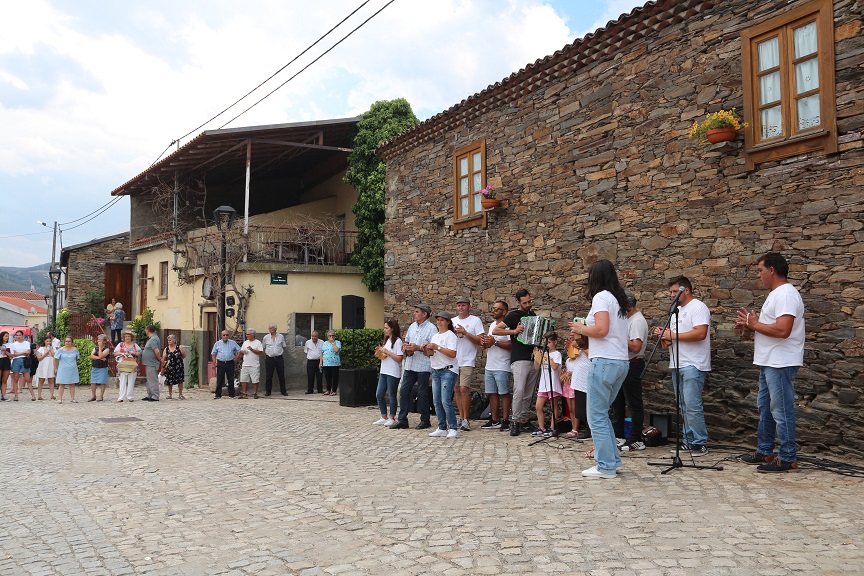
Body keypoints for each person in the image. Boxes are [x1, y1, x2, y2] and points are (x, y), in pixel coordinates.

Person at [735, 252, 805, 473]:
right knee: (765, 408)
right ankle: (765, 451)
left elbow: (783, 330)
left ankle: (787, 458)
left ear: (771, 270)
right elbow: (766, 329)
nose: (758, 275)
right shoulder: (776, 294)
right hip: (769, 361)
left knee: (781, 410)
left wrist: (754, 324)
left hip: (781, 362)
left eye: (760, 270)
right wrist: (748, 327)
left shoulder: (786, 294)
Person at [569, 259, 630, 479]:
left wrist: (580, 328)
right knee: (602, 413)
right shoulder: (617, 300)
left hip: (604, 362)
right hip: (619, 362)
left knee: (595, 415)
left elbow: (602, 330)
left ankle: (605, 466)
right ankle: (613, 460)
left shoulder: (601, 297)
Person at [653, 276, 712, 457]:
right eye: (670, 292)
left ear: (686, 290)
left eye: (674, 291)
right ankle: (688, 440)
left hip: (693, 363)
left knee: (692, 404)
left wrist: (673, 334)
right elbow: (675, 337)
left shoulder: (698, 307)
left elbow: (701, 333)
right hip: (678, 362)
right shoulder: (676, 310)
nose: (672, 295)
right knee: (682, 404)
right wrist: (665, 337)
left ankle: (700, 442)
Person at [493, 289, 538, 436]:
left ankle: (525, 419)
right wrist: (514, 331)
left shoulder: (532, 315)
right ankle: (515, 421)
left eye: (529, 301)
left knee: (529, 391)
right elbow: (496, 331)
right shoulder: (513, 315)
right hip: (519, 358)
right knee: (519, 390)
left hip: (533, 357)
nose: (528, 304)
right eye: (524, 302)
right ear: (518, 302)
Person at [612, 295, 649, 451]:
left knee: (634, 403)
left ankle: (636, 438)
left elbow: (636, 347)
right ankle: (618, 435)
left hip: (633, 365)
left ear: (628, 306)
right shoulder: (627, 320)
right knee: (617, 401)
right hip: (622, 363)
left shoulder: (637, 322)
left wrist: (618, 337)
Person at [392, 303, 437, 430]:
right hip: (410, 364)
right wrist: (406, 346)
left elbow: (431, 349)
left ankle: (425, 419)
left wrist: (417, 348)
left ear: (424, 314)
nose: (414, 313)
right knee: (404, 391)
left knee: (422, 393)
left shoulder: (432, 329)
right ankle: (402, 420)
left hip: (423, 365)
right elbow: (407, 340)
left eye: (417, 312)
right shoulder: (412, 326)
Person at [425, 311, 459, 439]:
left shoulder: (451, 336)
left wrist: (437, 347)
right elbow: (430, 354)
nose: (439, 322)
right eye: (438, 320)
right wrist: (426, 348)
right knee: (436, 401)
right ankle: (442, 427)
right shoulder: (435, 336)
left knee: (445, 401)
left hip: (448, 370)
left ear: (448, 322)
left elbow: (452, 354)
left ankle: (453, 427)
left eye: (442, 320)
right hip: (436, 370)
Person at [452, 297, 484, 431]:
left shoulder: (475, 320)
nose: (461, 308)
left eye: (463, 305)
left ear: (469, 307)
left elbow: (481, 340)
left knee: (464, 389)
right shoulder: (452, 321)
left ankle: (466, 419)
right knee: (456, 389)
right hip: (453, 360)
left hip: (467, 360)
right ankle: (460, 417)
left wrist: (465, 332)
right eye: (459, 305)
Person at [480, 300, 512, 430]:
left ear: (504, 312)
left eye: (496, 309)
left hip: (502, 365)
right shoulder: (493, 324)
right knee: (491, 393)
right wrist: (485, 342)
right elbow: (490, 343)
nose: (493, 310)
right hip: (490, 365)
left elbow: (511, 346)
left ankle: (505, 420)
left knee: (504, 393)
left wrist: (495, 343)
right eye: (493, 308)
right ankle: (494, 419)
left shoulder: (509, 327)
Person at [374, 319, 403, 426]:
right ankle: (383, 416)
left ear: (392, 329)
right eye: (384, 328)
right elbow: (385, 355)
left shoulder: (398, 341)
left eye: (386, 328)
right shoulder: (386, 341)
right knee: (379, 394)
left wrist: (387, 352)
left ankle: (392, 416)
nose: (384, 330)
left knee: (392, 395)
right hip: (384, 370)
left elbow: (399, 358)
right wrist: (380, 352)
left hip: (393, 371)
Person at [532, 332, 562, 437]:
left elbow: (555, 367)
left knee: (553, 406)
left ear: (555, 342)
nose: (547, 345)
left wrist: (547, 357)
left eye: (549, 342)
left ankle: (553, 427)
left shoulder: (557, 354)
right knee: (538, 406)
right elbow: (536, 367)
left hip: (553, 383)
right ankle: (541, 427)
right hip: (543, 384)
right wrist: (536, 357)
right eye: (545, 343)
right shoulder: (544, 353)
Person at [561, 335, 590, 438]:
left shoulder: (588, 345)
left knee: (583, 409)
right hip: (577, 382)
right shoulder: (579, 350)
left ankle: (588, 429)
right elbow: (573, 357)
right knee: (578, 411)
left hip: (586, 381)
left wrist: (579, 346)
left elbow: (592, 355)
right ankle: (583, 428)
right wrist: (571, 348)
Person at [212, 330, 241, 399]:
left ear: (229, 336)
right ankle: (218, 394)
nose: (225, 336)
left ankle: (231, 394)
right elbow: (213, 353)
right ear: (221, 336)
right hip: (221, 362)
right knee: (220, 379)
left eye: (227, 335)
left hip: (230, 362)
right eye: (224, 335)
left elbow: (239, 350)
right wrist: (214, 362)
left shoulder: (232, 343)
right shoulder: (217, 343)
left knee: (230, 379)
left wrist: (236, 358)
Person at [8, 330, 35, 401]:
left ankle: (33, 395)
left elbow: (28, 352)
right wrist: (23, 352)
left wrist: (19, 353)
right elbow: (14, 354)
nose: (18, 336)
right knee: (15, 379)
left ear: (22, 336)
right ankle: (16, 396)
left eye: (20, 335)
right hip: (16, 361)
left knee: (28, 379)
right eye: (17, 335)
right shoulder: (13, 345)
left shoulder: (26, 343)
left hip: (25, 360)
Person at [114, 330, 141, 402]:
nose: (127, 338)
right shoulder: (120, 344)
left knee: (131, 381)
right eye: (126, 336)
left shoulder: (135, 345)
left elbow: (140, 353)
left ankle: (130, 396)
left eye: (129, 336)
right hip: (123, 365)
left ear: (131, 337)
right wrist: (122, 353)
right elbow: (115, 353)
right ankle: (121, 397)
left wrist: (133, 352)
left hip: (132, 365)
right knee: (122, 381)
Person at [262, 324, 287, 396]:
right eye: (269, 328)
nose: (270, 329)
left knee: (281, 375)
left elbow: (284, 346)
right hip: (269, 358)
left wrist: (279, 352)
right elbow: (263, 347)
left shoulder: (281, 336)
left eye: (271, 328)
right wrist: (265, 356)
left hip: (279, 358)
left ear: (275, 329)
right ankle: (268, 391)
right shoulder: (266, 337)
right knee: (269, 376)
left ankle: (283, 391)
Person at [239, 329, 264, 399]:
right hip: (245, 364)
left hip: (254, 364)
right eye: (246, 334)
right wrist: (243, 352)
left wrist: (252, 350)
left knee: (255, 380)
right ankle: (244, 393)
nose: (247, 336)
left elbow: (261, 352)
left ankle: (255, 393)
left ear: (253, 335)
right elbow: (241, 350)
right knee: (244, 379)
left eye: (248, 334)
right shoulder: (245, 342)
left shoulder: (258, 343)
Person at [54, 336, 80, 404]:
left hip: (72, 369)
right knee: (62, 384)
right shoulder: (60, 350)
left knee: (72, 384)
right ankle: (60, 398)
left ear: (72, 342)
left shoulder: (75, 350)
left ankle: (72, 398)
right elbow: (55, 359)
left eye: (69, 341)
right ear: (64, 342)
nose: (68, 343)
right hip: (63, 369)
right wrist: (55, 368)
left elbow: (77, 358)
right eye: (66, 341)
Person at [162, 334, 187, 399]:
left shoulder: (179, 348)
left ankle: (180, 394)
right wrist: (162, 368)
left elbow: (184, 355)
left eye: (170, 340)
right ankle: (170, 394)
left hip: (178, 367)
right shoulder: (166, 349)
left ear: (174, 340)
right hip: (169, 367)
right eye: (168, 340)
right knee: (169, 381)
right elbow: (163, 359)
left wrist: (178, 361)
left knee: (180, 380)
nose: (169, 341)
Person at [141, 325, 162, 401]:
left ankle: (155, 396)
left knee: (152, 379)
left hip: (152, 363)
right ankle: (150, 394)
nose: (145, 331)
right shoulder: (152, 338)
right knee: (149, 380)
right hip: (149, 362)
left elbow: (156, 351)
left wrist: (159, 358)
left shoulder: (153, 339)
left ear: (148, 330)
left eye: (145, 329)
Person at [88, 334, 111, 402]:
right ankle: (93, 395)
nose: (98, 342)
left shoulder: (106, 349)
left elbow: (101, 355)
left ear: (104, 341)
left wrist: (100, 348)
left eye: (100, 341)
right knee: (93, 381)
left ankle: (101, 396)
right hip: (95, 366)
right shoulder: (95, 348)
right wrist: (99, 358)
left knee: (102, 381)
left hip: (103, 367)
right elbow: (91, 356)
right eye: (98, 341)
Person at [320, 330, 342, 396]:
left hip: (335, 363)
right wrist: (320, 362)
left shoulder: (337, 342)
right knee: (327, 377)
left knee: (335, 377)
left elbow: (337, 350)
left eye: (333, 336)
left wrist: (333, 343)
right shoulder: (325, 343)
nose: (331, 337)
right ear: (327, 337)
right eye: (330, 336)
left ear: (334, 336)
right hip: (326, 363)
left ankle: (334, 390)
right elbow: (321, 353)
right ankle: (328, 390)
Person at [35, 335, 56, 400]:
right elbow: (39, 358)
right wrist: (45, 354)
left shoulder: (53, 348)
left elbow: (55, 356)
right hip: (43, 365)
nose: (48, 343)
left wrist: (52, 351)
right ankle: (39, 395)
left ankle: (52, 394)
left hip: (51, 364)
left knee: (51, 380)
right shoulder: (41, 349)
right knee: (41, 380)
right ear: (44, 341)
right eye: (47, 341)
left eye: (49, 341)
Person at [0, 331, 11, 401]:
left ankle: (3, 395)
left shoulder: (10, 345)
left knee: (4, 379)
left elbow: (12, 355)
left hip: (6, 360)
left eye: (7, 336)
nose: (6, 338)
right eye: (5, 336)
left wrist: (6, 351)